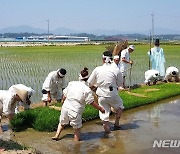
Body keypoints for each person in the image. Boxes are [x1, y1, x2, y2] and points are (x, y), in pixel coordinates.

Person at [52, 67, 105, 141]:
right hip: (75, 110)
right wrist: (100, 108)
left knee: (62, 122)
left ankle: (57, 135)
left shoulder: (72, 83)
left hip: (65, 107)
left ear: (79, 76)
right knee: (77, 128)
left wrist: (62, 101)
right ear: (87, 78)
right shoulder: (86, 89)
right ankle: (76, 145)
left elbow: (64, 94)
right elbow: (91, 102)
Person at [88, 51, 124, 134]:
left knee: (104, 112)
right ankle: (117, 123)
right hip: (113, 94)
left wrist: (96, 85)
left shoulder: (97, 69)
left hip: (101, 95)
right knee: (120, 106)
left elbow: (90, 83)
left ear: (103, 59)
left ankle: (106, 129)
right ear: (111, 59)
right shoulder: (116, 69)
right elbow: (119, 83)